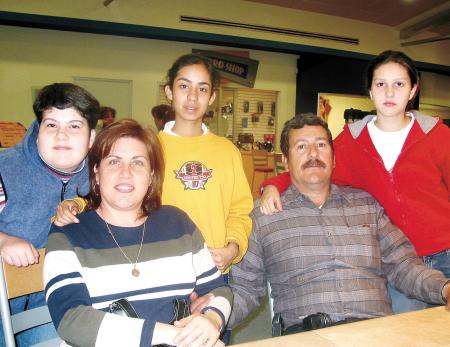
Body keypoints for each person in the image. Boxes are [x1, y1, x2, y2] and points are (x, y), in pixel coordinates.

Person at [258, 50, 450, 313]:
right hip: (397, 263)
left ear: (413, 90)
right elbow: (314, 167)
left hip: (446, 252)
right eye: (381, 84)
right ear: (370, 92)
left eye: (399, 84)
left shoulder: (438, 136)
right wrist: (274, 184)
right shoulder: (351, 142)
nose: (390, 93)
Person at [228, 114, 450, 335]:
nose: (313, 154)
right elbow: (245, 288)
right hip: (309, 337)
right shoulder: (265, 216)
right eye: (301, 147)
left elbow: (404, 267)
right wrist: (213, 315)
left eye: (321, 145)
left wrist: (445, 288)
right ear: (285, 161)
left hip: (376, 333)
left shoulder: (367, 206)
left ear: (334, 159)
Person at [44, 119, 232, 347]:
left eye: (138, 163)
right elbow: (71, 320)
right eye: (114, 162)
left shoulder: (178, 223)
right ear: (96, 172)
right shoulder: (68, 233)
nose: (126, 173)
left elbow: (218, 289)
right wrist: (179, 336)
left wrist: (210, 321)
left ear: (151, 175)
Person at [0, 83, 98, 345]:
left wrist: (79, 203)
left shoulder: (98, 173)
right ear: (39, 130)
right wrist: (2, 240)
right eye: (51, 125)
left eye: (74, 126)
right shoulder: (5, 169)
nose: (61, 135)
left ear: (91, 138)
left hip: (51, 296)